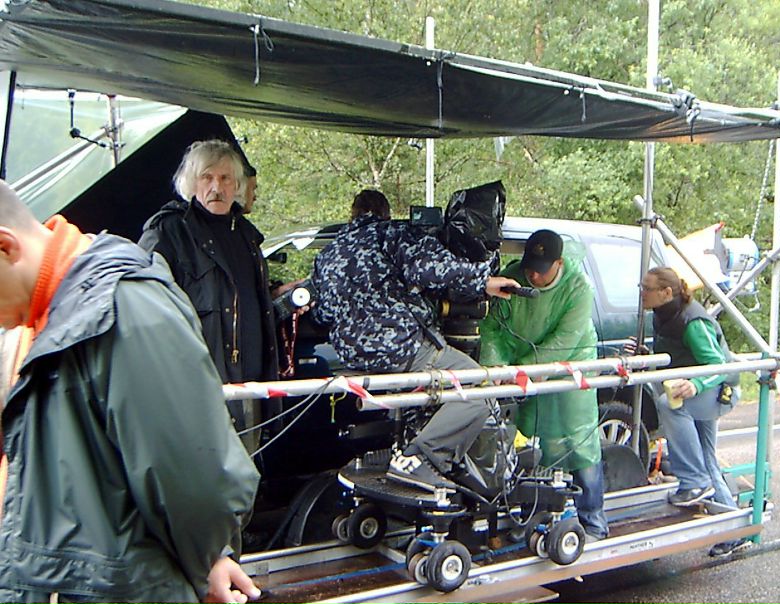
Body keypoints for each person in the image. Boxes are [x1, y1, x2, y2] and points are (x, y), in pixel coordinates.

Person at [0, 182, 261, 602]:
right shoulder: (36, 322)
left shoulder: (125, 306)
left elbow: (193, 475)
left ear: (6, 247)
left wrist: (208, 555)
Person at [312, 189, 519, 491]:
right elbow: (427, 269)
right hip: (399, 347)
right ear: (385, 213)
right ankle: (421, 459)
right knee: (481, 388)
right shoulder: (390, 233)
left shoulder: (328, 254)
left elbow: (323, 314)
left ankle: (418, 450)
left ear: (352, 214)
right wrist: (483, 280)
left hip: (352, 354)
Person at [139, 139, 280, 454]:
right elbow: (141, 303)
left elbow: (237, 295)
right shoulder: (168, 231)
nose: (217, 187)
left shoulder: (246, 235)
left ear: (237, 185)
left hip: (250, 388)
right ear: (192, 182)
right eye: (207, 177)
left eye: (225, 178)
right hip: (196, 390)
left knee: (246, 475)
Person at [479, 229, 609, 542]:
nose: (533, 275)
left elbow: (566, 338)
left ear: (559, 263)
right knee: (529, 442)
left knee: (577, 441)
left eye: (541, 269)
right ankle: (532, 515)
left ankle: (592, 519)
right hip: (523, 365)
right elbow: (492, 327)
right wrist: (496, 364)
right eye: (529, 268)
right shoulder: (513, 279)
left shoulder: (578, 287)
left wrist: (526, 369)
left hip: (569, 367)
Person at [634, 266, 749, 557]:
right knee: (707, 458)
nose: (642, 293)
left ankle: (694, 483)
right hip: (695, 390)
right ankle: (733, 530)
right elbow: (676, 357)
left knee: (668, 404)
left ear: (666, 292)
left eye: (647, 288)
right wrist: (648, 358)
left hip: (716, 391)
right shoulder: (662, 315)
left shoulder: (692, 321)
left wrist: (696, 385)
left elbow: (718, 365)